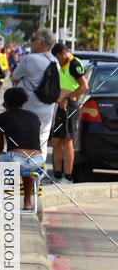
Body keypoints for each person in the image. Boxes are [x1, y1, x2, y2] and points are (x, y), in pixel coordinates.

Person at [11, 28, 59, 165]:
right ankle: (37, 178)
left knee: (20, 145)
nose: (31, 43)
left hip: (28, 112)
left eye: (33, 40)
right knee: (42, 145)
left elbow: (14, 77)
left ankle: (19, 180)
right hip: (47, 111)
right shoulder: (55, 61)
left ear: (41, 43)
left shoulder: (30, 59)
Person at [0, 87, 44, 211]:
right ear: (23, 101)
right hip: (37, 162)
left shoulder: (0, 118)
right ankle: (27, 202)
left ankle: (2, 200)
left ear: (6, 102)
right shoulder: (34, 117)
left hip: (15, 160)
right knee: (27, 161)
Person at [50, 43, 88, 182]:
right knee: (55, 141)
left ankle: (68, 176)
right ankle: (57, 174)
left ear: (63, 53)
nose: (58, 60)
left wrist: (67, 97)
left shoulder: (74, 64)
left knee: (67, 140)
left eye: (58, 57)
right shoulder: (64, 65)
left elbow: (84, 86)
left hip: (69, 106)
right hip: (60, 106)